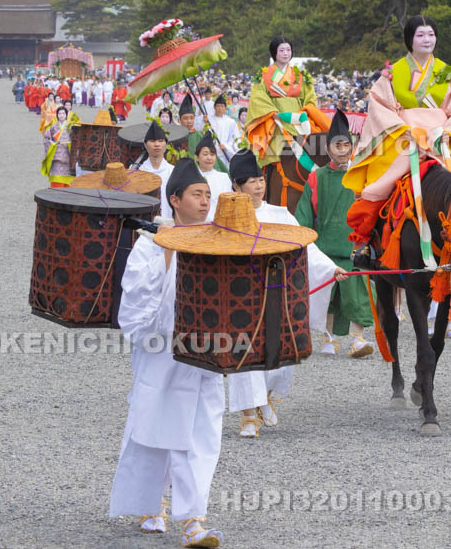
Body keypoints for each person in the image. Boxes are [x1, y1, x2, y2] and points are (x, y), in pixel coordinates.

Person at [109, 159, 226, 547]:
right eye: (197, 194)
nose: (204, 201)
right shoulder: (150, 242)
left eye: (208, 194)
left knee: (202, 434)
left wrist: (328, 271)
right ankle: (151, 503)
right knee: (153, 428)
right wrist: (168, 249)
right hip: (162, 351)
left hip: (206, 351)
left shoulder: (219, 237)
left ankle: (194, 519)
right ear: (174, 199)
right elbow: (138, 301)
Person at [344, 16, 451, 256]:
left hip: (441, 140)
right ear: (410, 40)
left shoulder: (448, 73)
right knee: (378, 187)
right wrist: (404, 130)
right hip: (405, 139)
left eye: (431, 34)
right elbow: (380, 106)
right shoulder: (393, 73)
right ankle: (367, 244)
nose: (427, 39)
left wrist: (448, 133)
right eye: (421, 35)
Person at [225, 149, 345, 438]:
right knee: (243, 353)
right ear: (236, 187)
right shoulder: (226, 218)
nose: (258, 185)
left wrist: (330, 269)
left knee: (278, 352)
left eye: (260, 180)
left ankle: (266, 396)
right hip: (240, 296)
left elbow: (305, 247)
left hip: (276, 294)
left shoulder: (280, 215)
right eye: (251, 181)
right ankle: (248, 415)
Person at [295, 110, 374, 357]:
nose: (342, 149)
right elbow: (305, 214)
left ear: (352, 147)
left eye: (346, 145)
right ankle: (328, 339)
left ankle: (358, 339)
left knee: (357, 293)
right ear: (328, 149)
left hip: (355, 248)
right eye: (337, 145)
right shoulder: (317, 176)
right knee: (326, 295)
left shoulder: (362, 175)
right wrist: (302, 241)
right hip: (326, 247)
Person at [244, 37, 330, 180]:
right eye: (282, 50)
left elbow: (310, 99)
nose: (286, 53)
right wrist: (275, 115)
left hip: (299, 121)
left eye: (288, 50)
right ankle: (267, 182)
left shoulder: (300, 75)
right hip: (276, 120)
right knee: (272, 152)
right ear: (274, 53)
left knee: (319, 146)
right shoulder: (264, 75)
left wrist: (302, 114)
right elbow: (258, 99)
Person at [139, 120, 175, 219]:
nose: (157, 144)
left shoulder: (173, 171)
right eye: (152, 141)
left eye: (160, 141)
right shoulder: (139, 171)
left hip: (169, 222)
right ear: (145, 145)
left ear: (166, 144)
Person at [193, 132, 232, 221]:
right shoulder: (192, 177)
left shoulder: (223, 177)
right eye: (205, 154)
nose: (209, 158)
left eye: (212, 154)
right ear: (197, 158)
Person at [41, 107, 74, 187]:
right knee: (56, 177)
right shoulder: (53, 127)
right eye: (59, 113)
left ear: (66, 115)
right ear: (57, 115)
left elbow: (76, 139)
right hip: (56, 156)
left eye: (63, 113)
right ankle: (55, 194)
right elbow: (46, 138)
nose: (61, 115)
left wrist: (70, 144)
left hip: (67, 155)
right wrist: (52, 144)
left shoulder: (71, 127)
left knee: (68, 177)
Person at [207, 95, 241, 170]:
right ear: (214, 107)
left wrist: (226, 146)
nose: (220, 108)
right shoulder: (209, 120)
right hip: (210, 154)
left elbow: (235, 138)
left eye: (222, 106)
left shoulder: (231, 122)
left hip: (225, 154)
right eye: (218, 106)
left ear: (225, 108)